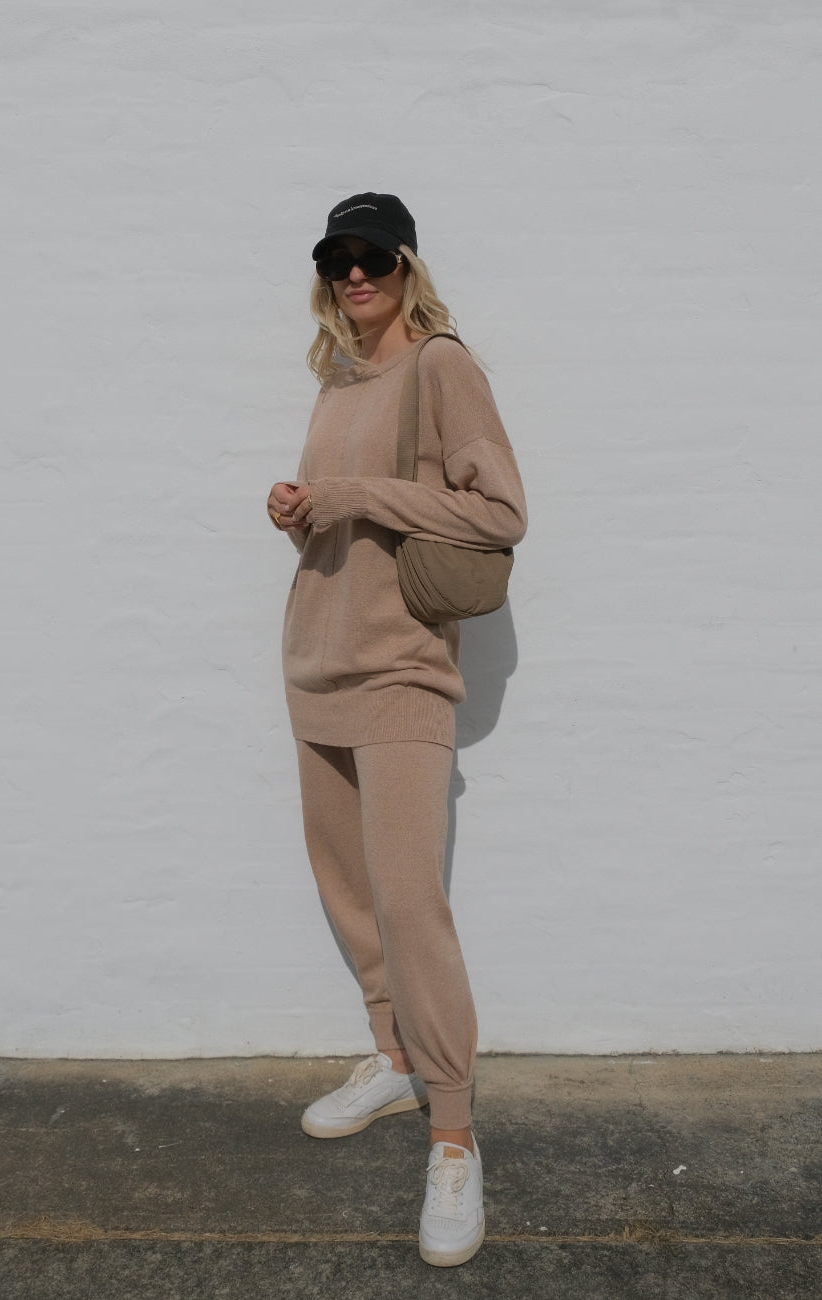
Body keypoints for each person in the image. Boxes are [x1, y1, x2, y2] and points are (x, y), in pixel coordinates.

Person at [266, 192, 527, 1268]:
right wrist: (300, 512)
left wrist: (361, 496)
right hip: (315, 662)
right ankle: (393, 1055)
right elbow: (346, 519)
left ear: (407, 264)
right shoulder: (337, 378)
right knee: (350, 886)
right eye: (337, 258)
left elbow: (501, 513)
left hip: (402, 667)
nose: (354, 273)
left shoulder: (440, 366)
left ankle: (453, 1132)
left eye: (372, 254)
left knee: (411, 900)